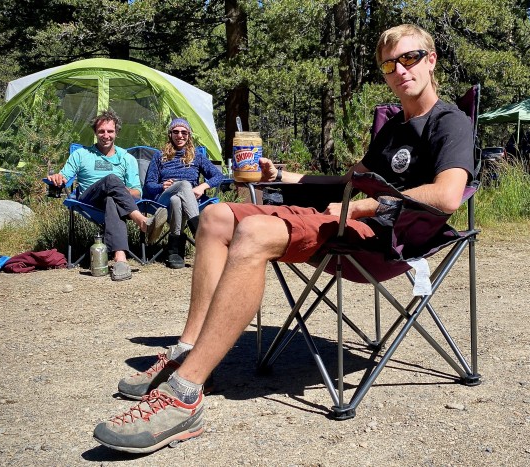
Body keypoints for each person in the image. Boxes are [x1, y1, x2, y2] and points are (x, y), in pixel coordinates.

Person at [93, 24, 474, 453]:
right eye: (389, 65)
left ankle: (184, 395)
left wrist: (366, 207)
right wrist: (285, 177)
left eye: (409, 58)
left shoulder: (449, 122)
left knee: (253, 231)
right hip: (346, 221)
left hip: (387, 238)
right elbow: (347, 181)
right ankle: (189, 350)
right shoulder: (392, 128)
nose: (400, 70)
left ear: (431, 59)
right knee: (215, 216)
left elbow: (447, 196)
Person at [47, 110, 166, 281]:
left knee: (112, 198)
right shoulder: (81, 154)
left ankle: (120, 260)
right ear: (95, 133)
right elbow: (64, 176)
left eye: (110, 131)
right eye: (101, 131)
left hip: (116, 202)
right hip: (88, 200)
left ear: (116, 132)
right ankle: (142, 221)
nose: (106, 135)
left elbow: (137, 193)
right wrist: (57, 177)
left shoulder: (127, 158)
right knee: (111, 179)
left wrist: (119, 190)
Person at [143, 118, 225, 269]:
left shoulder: (197, 156)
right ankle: (202, 238)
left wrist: (202, 187)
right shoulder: (159, 156)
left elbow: (218, 176)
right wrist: (161, 186)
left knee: (177, 200)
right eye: (176, 132)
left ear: (189, 135)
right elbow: (148, 185)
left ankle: (175, 251)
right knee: (183, 185)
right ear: (170, 134)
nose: (180, 135)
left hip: (187, 200)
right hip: (163, 199)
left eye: (184, 132)